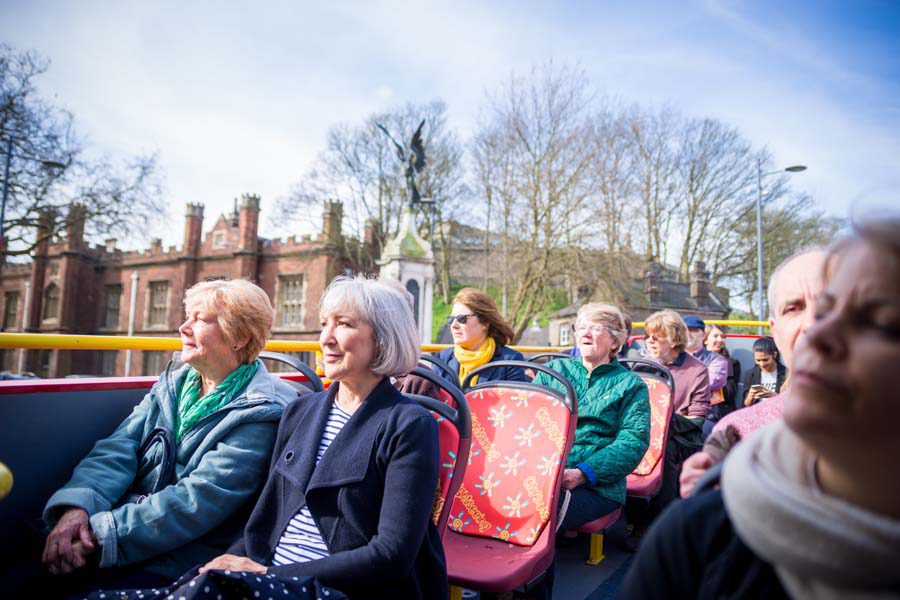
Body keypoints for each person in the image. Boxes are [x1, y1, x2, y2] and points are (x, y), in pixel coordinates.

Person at [622, 219, 900, 599]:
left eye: (876, 320)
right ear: (775, 328)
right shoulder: (701, 530)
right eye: (794, 308)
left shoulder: (705, 372)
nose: (816, 326)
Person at [32, 279, 294, 595]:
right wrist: (78, 508)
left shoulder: (263, 410)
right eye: (188, 316)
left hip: (184, 557)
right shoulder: (175, 382)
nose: (183, 327)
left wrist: (99, 534)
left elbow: (197, 499)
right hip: (123, 531)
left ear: (239, 337)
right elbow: (119, 447)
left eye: (199, 319)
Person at [194, 275, 446, 599]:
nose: (326, 338)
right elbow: (267, 515)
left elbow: (390, 555)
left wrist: (270, 576)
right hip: (269, 578)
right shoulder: (300, 411)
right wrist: (231, 562)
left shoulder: (409, 425)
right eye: (324, 324)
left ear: (383, 339)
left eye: (343, 324)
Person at [679, 248, 827, 497]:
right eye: (793, 308)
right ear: (775, 331)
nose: (811, 324)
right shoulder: (733, 433)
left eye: (830, 304)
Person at [533, 303, 650, 529]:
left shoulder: (631, 385)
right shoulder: (554, 371)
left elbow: (632, 442)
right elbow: (528, 422)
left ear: (615, 342)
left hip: (597, 485)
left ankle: (536, 563)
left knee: (541, 509)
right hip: (544, 473)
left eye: (596, 328)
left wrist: (584, 473)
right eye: (581, 327)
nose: (585, 333)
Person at [625, 309, 710, 550]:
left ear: (673, 339)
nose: (649, 341)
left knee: (665, 453)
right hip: (644, 431)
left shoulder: (697, 370)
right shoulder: (643, 367)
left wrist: (664, 420)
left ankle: (652, 523)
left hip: (680, 435)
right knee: (627, 448)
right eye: (647, 336)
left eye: (656, 336)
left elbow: (697, 419)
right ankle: (634, 515)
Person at [434, 287, 527, 385]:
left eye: (462, 319)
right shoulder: (442, 358)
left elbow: (511, 399)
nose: (454, 325)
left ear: (485, 322)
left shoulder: (510, 362)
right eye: (451, 319)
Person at [684, 316, 728, 430]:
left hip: (704, 417)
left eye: (693, 330)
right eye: (684, 330)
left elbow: (705, 386)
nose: (688, 334)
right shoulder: (670, 358)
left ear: (703, 335)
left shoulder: (717, 361)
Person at [704, 323, 741, 413]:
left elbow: (729, 392)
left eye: (722, 336)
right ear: (705, 340)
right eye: (715, 336)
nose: (720, 340)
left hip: (720, 411)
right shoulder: (694, 361)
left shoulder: (731, 363)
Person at [741, 336, 787, 406]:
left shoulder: (787, 374)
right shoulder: (751, 374)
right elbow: (745, 405)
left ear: (774, 355)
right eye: (758, 360)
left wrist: (776, 397)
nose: (762, 364)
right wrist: (750, 396)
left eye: (765, 360)